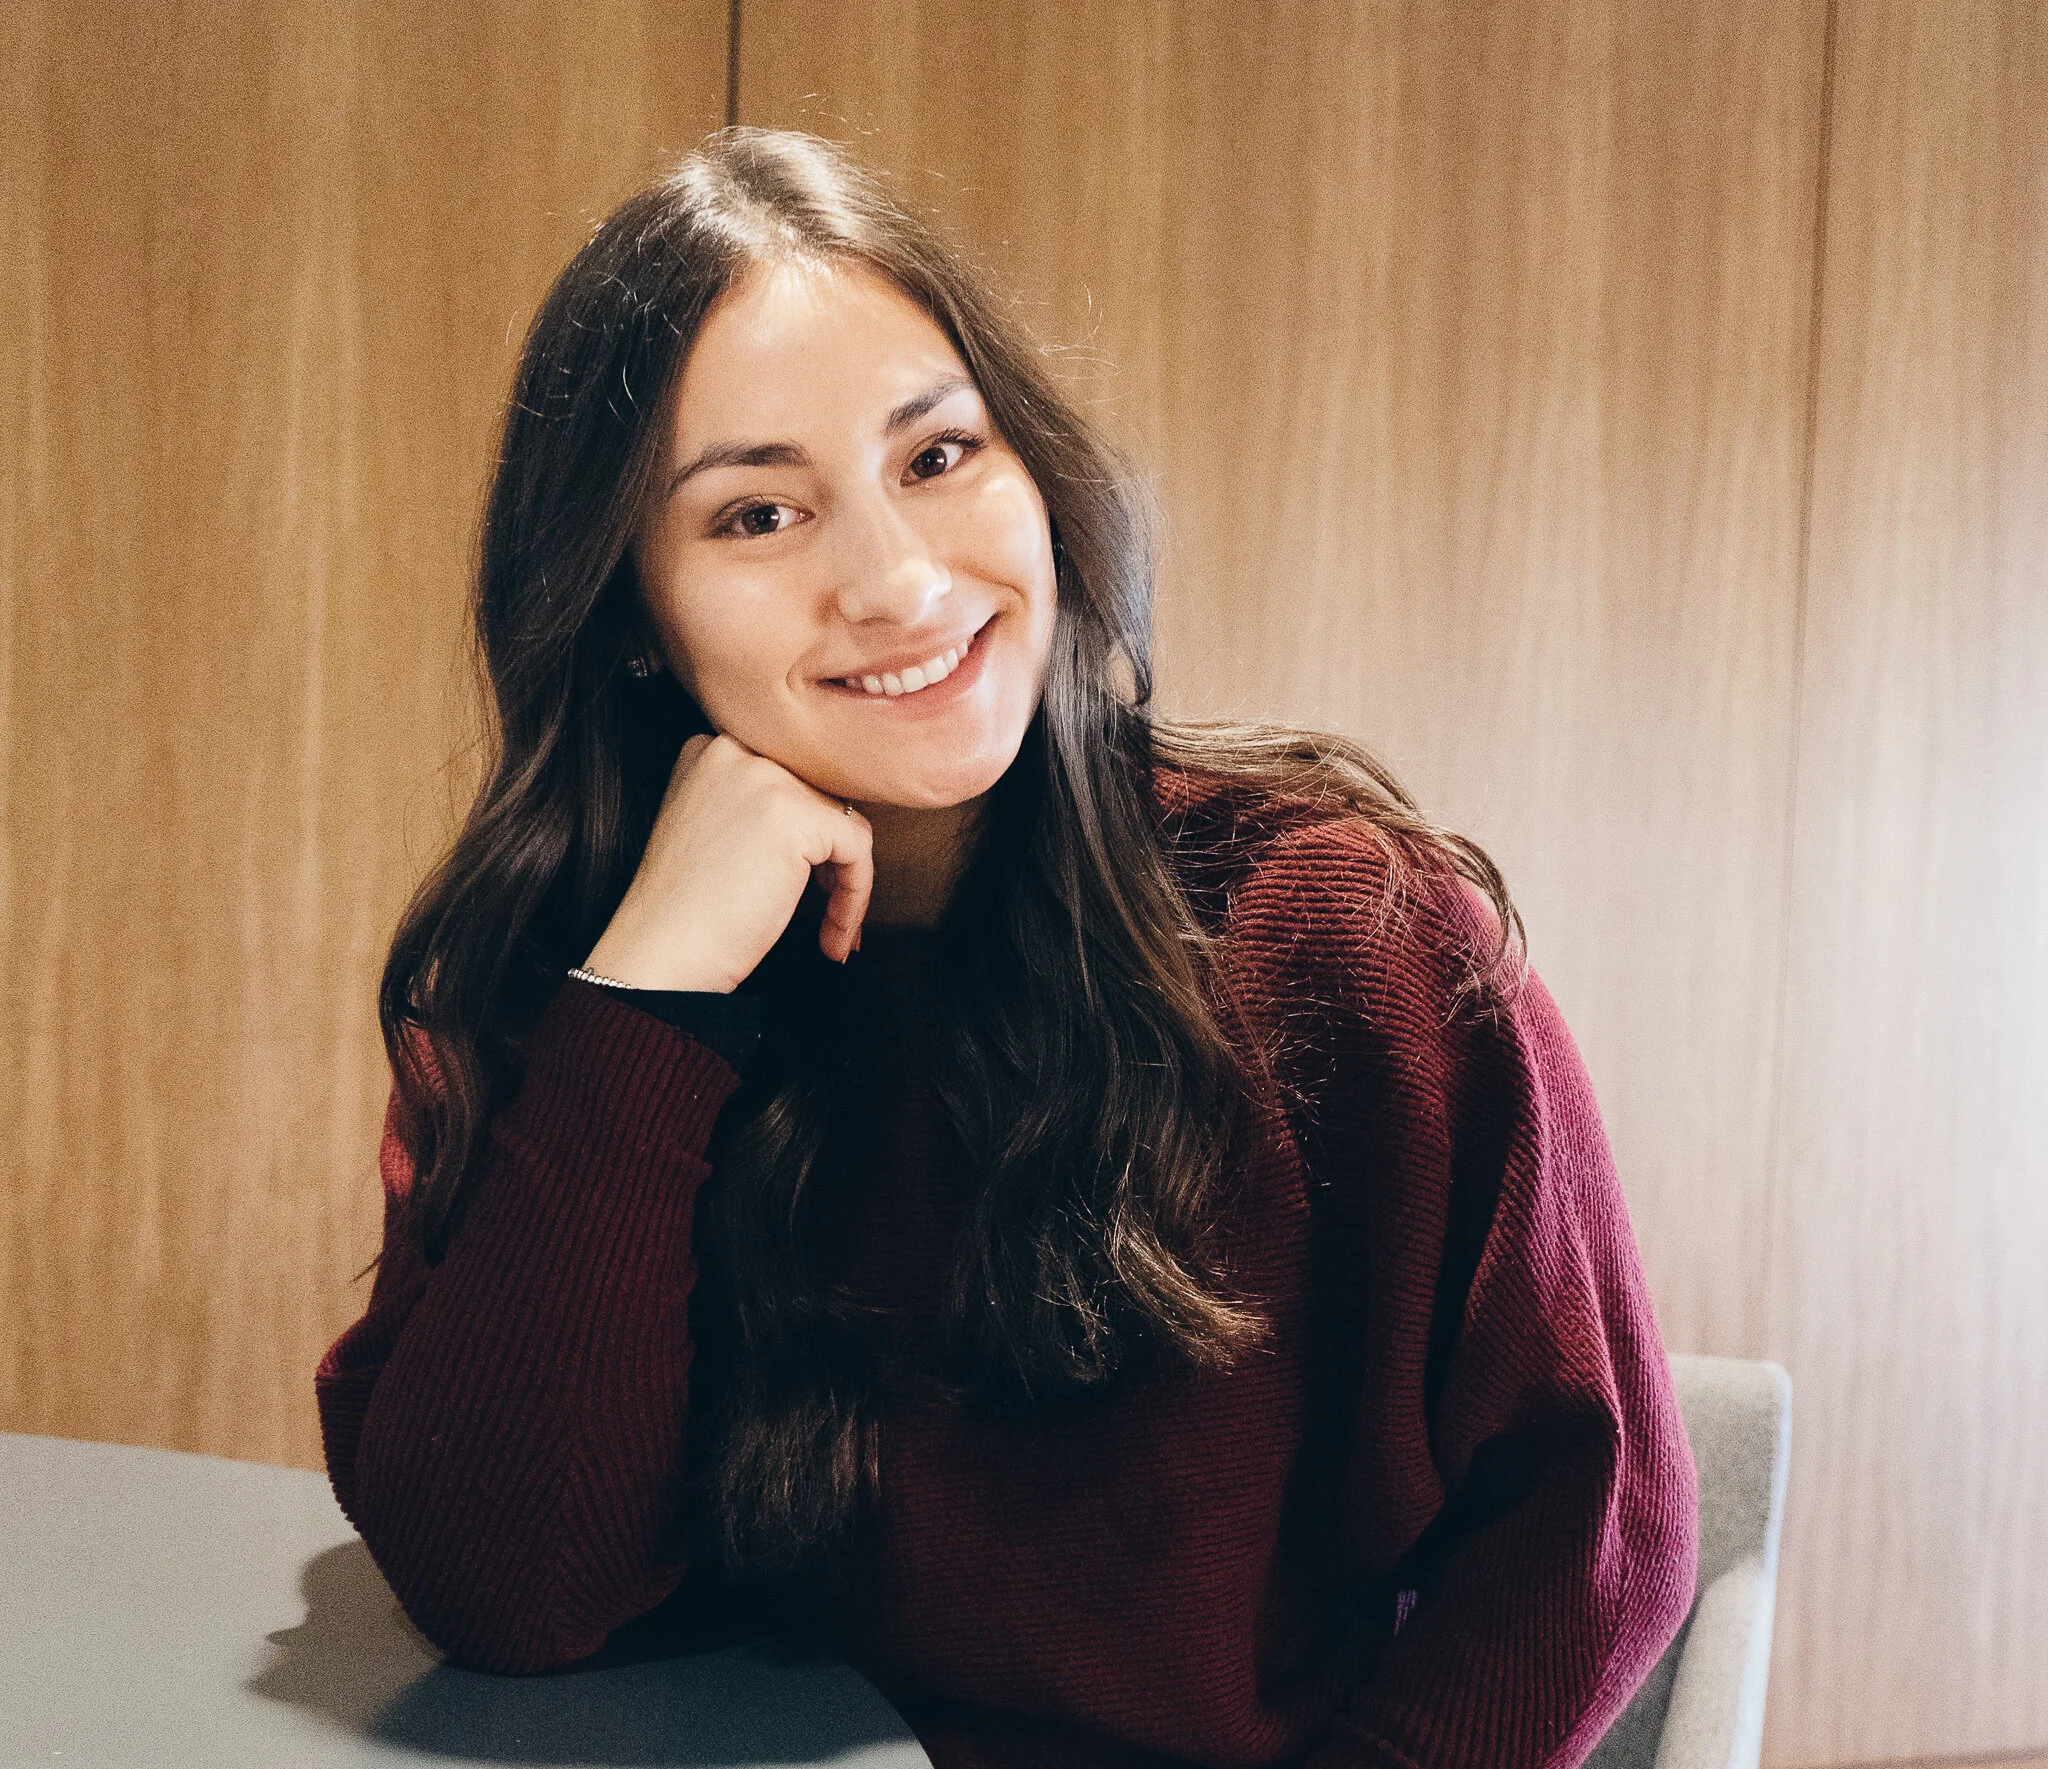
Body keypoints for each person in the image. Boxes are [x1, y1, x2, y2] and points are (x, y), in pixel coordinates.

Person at [316, 126, 1698, 1769]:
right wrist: (648, 1004)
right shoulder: (570, 988)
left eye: (939, 457)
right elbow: (506, 1595)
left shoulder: (1350, 946)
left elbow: (1594, 1541)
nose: (896, 583)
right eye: (758, 515)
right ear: (629, 616)